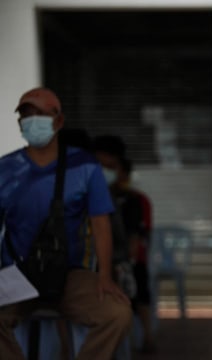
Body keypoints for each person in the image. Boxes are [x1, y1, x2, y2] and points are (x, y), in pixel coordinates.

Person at [0, 87, 132, 359]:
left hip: (70, 273)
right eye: (26, 115)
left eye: (40, 114)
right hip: (16, 274)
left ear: (58, 121)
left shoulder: (85, 167)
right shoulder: (6, 168)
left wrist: (105, 276)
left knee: (116, 313)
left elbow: (100, 222)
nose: (32, 120)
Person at [93, 134, 155, 353]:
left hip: (122, 263)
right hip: (96, 266)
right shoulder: (84, 195)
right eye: (101, 165)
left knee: (133, 291)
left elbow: (135, 238)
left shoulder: (132, 201)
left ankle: (143, 339)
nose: (106, 171)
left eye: (111, 166)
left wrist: (122, 264)